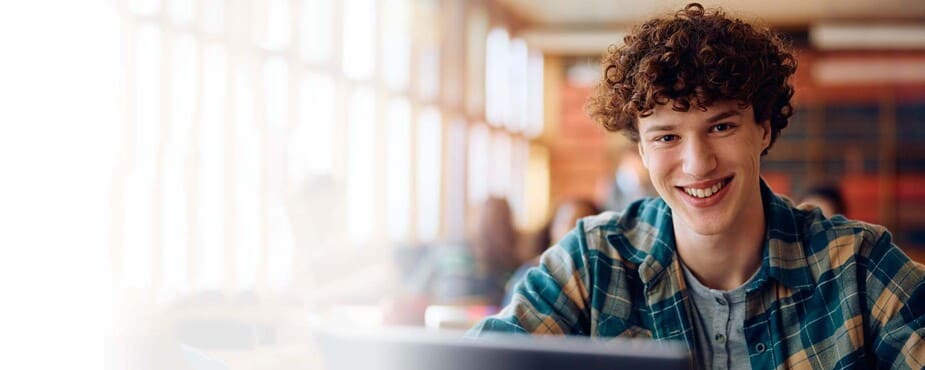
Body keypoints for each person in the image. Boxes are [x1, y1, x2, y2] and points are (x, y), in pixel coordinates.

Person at [467, 4, 925, 370]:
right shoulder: (592, 261)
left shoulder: (858, 266)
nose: (697, 163)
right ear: (642, 153)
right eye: (667, 136)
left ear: (763, 128)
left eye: (721, 127)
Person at [501, 199, 600, 306]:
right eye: (564, 222)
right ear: (553, 227)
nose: (570, 230)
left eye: (578, 224)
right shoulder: (531, 272)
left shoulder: (598, 276)